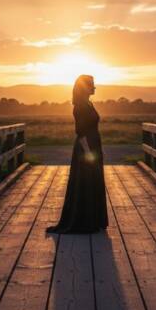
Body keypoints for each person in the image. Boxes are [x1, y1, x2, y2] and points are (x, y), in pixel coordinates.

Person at [46, 74, 108, 233]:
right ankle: (83, 222)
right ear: (84, 87)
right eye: (91, 84)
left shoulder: (88, 103)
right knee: (85, 183)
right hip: (85, 148)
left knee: (92, 182)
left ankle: (93, 220)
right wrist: (88, 154)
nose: (94, 87)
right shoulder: (80, 106)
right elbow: (80, 132)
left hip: (93, 146)